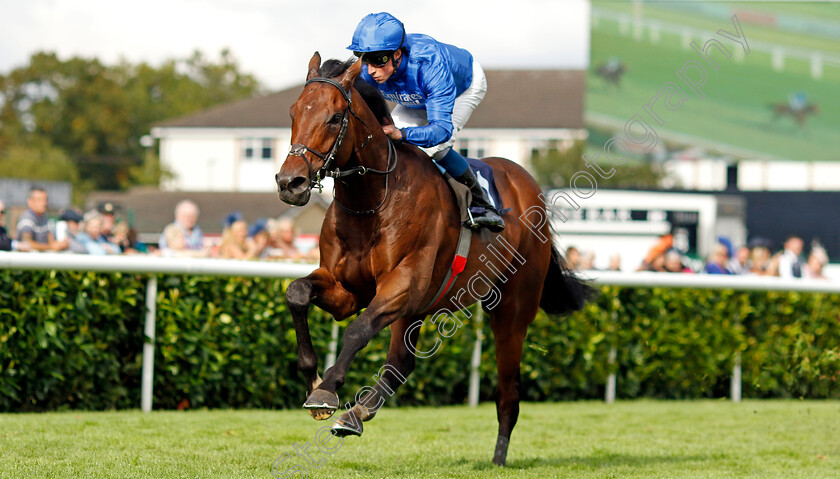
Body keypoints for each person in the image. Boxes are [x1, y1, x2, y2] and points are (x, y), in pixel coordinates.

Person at [348, 12, 504, 231]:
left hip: (462, 88)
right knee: (391, 148)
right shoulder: (367, 72)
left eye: (379, 59)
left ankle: (482, 201)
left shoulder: (429, 66)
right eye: (364, 57)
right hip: (416, 94)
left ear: (398, 54)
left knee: (436, 149)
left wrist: (402, 134)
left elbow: (441, 130)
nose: (371, 69)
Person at [16, 186, 69, 252]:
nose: (44, 203)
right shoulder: (27, 218)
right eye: (39, 200)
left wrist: (60, 245)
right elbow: (26, 243)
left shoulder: (44, 217)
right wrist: (51, 247)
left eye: (45, 200)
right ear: (30, 202)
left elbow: (51, 241)